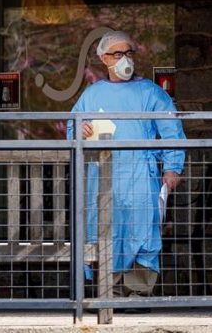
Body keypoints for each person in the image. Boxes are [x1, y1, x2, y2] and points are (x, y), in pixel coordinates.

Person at [67, 29, 185, 299]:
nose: (124, 59)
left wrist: (172, 168)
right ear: (104, 59)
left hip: (141, 175)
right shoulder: (92, 95)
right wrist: (80, 129)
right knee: (105, 229)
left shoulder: (151, 93)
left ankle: (138, 293)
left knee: (142, 230)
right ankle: (108, 291)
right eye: (117, 54)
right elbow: (72, 128)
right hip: (103, 176)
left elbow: (171, 130)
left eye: (128, 53)